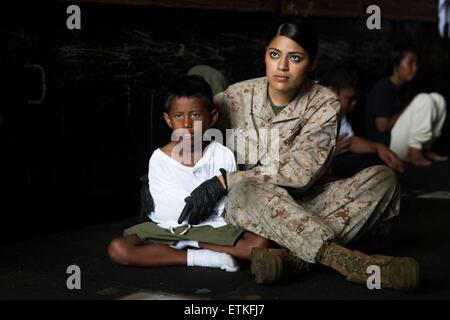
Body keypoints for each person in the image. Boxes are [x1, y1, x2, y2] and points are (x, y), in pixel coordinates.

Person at [178, 22, 419, 291]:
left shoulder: (325, 104)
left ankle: (293, 259)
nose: (282, 66)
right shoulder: (235, 96)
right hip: (254, 206)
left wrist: (225, 181)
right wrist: (159, 171)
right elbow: (192, 135)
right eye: (274, 55)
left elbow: (300, 174)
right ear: (265, 55)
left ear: (312, 62)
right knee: (245, 188)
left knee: (383, 178)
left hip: (310, 201)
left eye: (295, 58)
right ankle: (350, 262)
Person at [108, 75, 272, 272]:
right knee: (119, 249)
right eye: (179, 116)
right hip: (167, 229)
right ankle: (199, 255)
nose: (186, 124)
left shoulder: (222, 155)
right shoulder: (159, 159)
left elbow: (224, 206)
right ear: (168, 120)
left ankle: (189, 244)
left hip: (210, 227)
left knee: (259, 244)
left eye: (195, 115)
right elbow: (165, 209)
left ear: (212, 118)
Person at [366, 45, 447, 166]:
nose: (415, 68)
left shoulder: (404, 87)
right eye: (410, 63)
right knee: (423, 99)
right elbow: (382, 127)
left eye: (416, 63)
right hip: (389, 147)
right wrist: (409, 105)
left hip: (403, 141)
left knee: (437, 98)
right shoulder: (384, 88)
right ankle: (414, 151)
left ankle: (425, 148)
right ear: (396, 65)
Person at [320, 67, 404, 178]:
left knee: (374, 164)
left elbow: (349, 141)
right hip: (309, 170)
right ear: (331, 91)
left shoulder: (337, 111)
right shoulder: (308, 108)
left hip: (336, 159)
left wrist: (378, 148)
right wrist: (328, 153)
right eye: (349, 98)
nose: (354, 103)